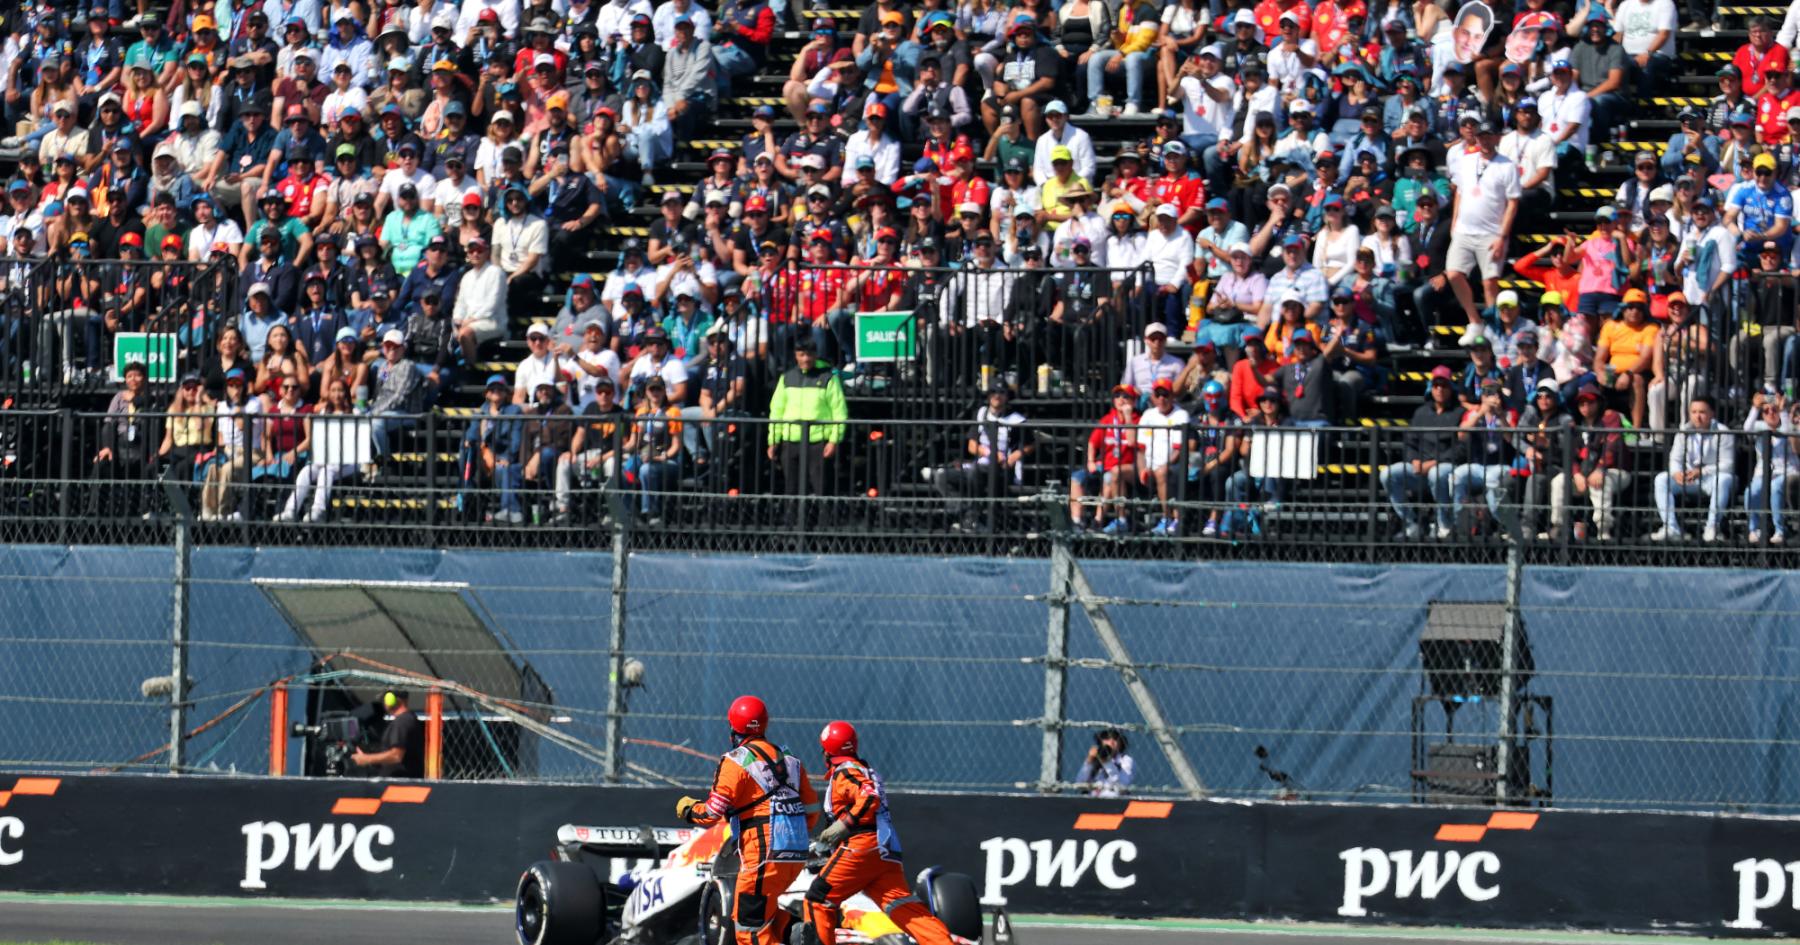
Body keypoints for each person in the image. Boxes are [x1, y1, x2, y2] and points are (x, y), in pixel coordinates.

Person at [676, 696, 818, 945]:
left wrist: (688, 810)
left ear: (734, 727)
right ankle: (795, 932)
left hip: (762, 853)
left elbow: (712, 812)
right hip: (795, 853)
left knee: (749, 930)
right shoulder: (790, 760)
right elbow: (812, 810)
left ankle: (794, 933)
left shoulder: (735, 761)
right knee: (757, 910)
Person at [804, 721, 955, 945]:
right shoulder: (865, 769)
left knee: (817, 899)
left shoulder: (846, 772)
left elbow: (869, 797)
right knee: (903, 906)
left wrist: (844, 825)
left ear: (827, 751)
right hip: (884, 850)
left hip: (860, 846)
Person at [930, 385, 1030, 532]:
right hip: (981, 465)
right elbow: (971, 446)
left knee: (974, 471)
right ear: (988, 396)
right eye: (993, 392)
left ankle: (972, 518)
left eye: (1001, 392)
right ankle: (964, 513)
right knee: (941, 475)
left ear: (1007, 396)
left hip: (1001, 470)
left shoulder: (1016, 419)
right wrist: (989, 453)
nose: (997, 396)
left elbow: (1030, 444)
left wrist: (1013, 456)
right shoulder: (980, 414)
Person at [1382, 365, 1463, 540]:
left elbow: (1461, 447)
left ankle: (1444, 524)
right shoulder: (1421, 413)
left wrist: (1434, 462)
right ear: (1431, 388)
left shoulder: (1459, 412)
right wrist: (1414, 461)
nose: (1440, 389)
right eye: (1436, 385)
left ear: (1451, 388)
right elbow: (1410, 442)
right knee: (1388, 474)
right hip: (1419, 469)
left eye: (1444, 385)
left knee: (1437, 473)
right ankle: (1411, 522)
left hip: (1446, 469)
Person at [766, 340, 847, 496]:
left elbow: (839, 411)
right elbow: (776, 411)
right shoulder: (786, 378)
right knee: (791, 489)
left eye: (809, 354)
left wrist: (834, 440)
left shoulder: (828, 378)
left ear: (815, 355)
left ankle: (823, 514)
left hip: (818, 441)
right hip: (790, 440)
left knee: (822, 489)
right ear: (796, 356)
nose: (806, 359)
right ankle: (792, 514)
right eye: (801, 355)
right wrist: (773, 440)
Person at [1652, 395, 1736, 542]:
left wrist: (1702, 471)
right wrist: (1676, 473)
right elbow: (1675, 458)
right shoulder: (1684, 430)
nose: (1697, 416)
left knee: (1723, 479)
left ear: (1712, 413)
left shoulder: (1723, 431)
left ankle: (1712, 527)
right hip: (1689, 479)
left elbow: (1727, 464)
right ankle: (1671, 528)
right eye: (1694, 412)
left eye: (1702, 412)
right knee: (1661, 479)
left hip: (1712, 478)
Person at [349, 689, 425, 779]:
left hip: (399, 783)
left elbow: (396, 756)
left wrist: (367, 759)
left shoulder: (402, 722)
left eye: (385, 699)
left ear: (392, 699)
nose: (384, 703)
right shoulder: (407, 720)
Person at [1076, 727, 1134, 797]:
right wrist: (1089, 761)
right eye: (1107, 738)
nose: (1111, 742)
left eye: (1115, 739)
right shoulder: (1095, 758)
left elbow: (1122, 785)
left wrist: (1107, 762)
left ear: (1121, 743)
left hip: (1114, 799)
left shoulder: (1125, 760)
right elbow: (1080, 783)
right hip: (1091, 798)